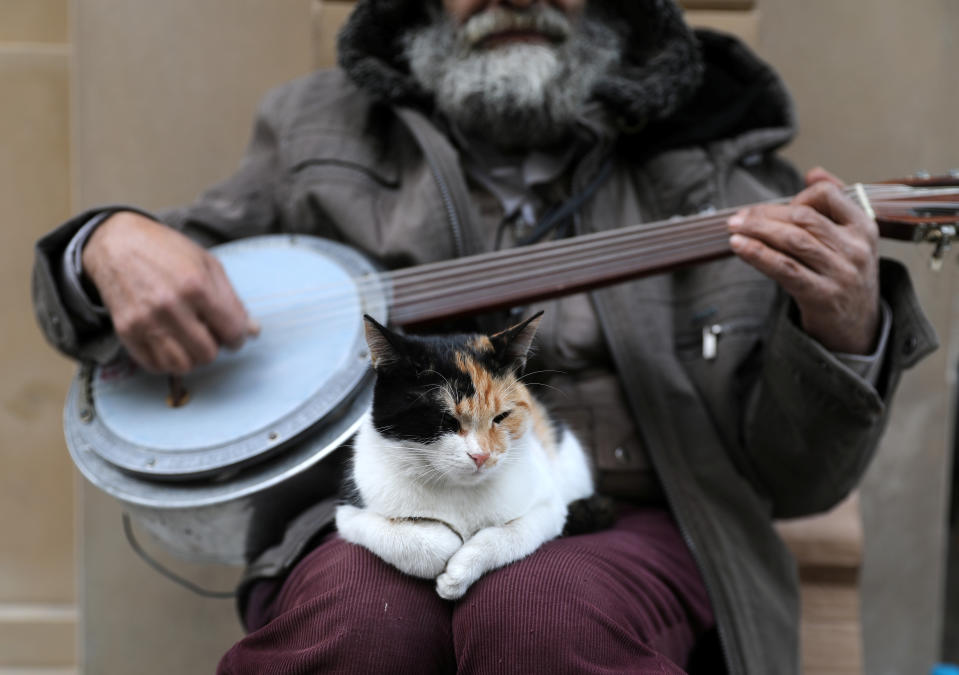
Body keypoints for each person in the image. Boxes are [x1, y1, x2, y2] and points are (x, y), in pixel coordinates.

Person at [31, 0, 937, 673]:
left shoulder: (718, 160)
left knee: (542, 612)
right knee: (355, 621)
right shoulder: (317, 127)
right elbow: (168, 278)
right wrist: (102, 245)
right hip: (385, 510)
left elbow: (798, 478)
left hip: (631, 518)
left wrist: (840, 323)